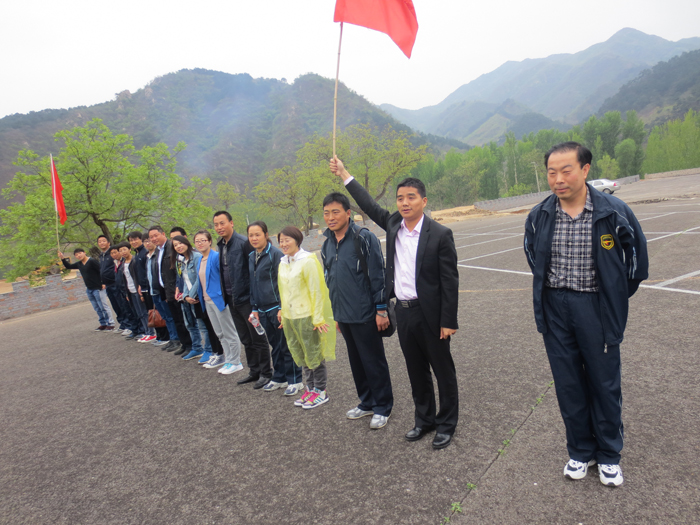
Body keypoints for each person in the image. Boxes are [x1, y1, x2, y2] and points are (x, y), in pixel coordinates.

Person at [524, 142, 649, 487]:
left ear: (585, 169)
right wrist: (553, 294)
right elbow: (534, 258)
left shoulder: (613, 211)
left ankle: (609, 455)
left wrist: (614, 296)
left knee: (604, 383)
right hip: (555, 307)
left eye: (566, 171)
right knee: (568, 384)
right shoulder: (539, 215)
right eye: (552, 172)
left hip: (596, 307)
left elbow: (636, 262)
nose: (558, 179)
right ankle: (581, 451)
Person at [330, 157, 460, 449]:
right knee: (416, 370)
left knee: (443, 371)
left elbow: (450, 281)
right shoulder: (393, 225)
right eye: (400, 198)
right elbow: (368, 204)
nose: (404, 203)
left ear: (423, 201)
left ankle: (446, 424)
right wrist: (344, 174)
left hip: (432, 314)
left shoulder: (440, 234)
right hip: (404, 312)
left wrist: (448, 320)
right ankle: (424, 420)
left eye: (411, 197)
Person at [320, 193, 394, 430]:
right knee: (356, 362)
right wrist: (336, 315)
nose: (330, 217)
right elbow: (330, 280)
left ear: (348, 213)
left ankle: (383, 406)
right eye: (326, 213)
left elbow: (378, 274)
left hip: (366, 313)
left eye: (335, 212)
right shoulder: (327, 244)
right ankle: (367, 402)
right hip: (344, 314)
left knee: (373, 361)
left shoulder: (363, 237)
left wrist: (381, 309)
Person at [277, 226, 336, 410]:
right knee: (301, 353)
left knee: (314, 354)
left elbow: (316, 290)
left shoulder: (308, 260)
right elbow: (283, 290)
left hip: (307, 316)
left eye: (287, 240)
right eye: (281, 241)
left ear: (297, 240)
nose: (283, 244)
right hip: (291, 316)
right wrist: (283, 312)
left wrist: (318, 318)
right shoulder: (283, 262)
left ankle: (320, 390)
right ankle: (310, 388)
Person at [214, 211, 272, 389]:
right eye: (216, 224)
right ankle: (254, 370)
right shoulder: (221, 245)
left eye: (222, 223)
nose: (219, 227)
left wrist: (255, 300)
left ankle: (266, 372)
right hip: (232, 299)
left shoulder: (243, 243)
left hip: (247, 299)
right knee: (245, 338)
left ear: (231, 223)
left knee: (257, 336)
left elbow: (254, 270)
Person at [247, 221, 304, 396]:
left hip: (277, 307)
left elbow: (283, 283)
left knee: (286, 344)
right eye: (251, 235)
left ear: (266, 235)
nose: (254, 238)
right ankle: (280, 377)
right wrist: (254, 307)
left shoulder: (275, 255)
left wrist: (281, 307)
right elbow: (252, 283)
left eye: (258, 234)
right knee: (275, 345)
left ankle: (295, 379)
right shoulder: (251, 256)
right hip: (262, 309)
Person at [193, 229, 244, 374]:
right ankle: (228, 360)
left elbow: (224, 277)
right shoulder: (200, 260)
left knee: (229, 332)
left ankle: (236, 361)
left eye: (203, 240)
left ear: (210, 241)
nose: (200, 243)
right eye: (197, 241)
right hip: (207, 301)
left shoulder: (215, 257)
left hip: (219, 300)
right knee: (220, 333)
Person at [148, 226, 193, 356]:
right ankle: (183, 344)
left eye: (156, 235)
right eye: (151, 237)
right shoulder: (158, 250)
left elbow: (177, 270)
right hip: (166, 290)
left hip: (176, 290)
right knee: (176, 319)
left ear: (163, 234)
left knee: (183, 320)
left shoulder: (171, 247)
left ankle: (191, 345)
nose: (154, 239)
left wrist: (178, 289)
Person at [171, 235, 216, 362]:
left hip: (198, 296)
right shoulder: (181, 260)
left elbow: (198, 278)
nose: (178, 246)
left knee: (203, 326)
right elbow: (185, 280)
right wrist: (185, 296)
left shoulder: (196, 257)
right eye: (175, 245)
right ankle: (197, 348)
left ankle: (208, 350)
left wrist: (191, 295)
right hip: (188, 297)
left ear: (186, 243)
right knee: (190, 323)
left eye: (180, 243)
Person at [128, 231, 168, 344]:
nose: (134, 242)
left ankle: (164, 336)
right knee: (151, 312)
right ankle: (159, 336)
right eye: (131, 240)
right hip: (144, 288)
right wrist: (140, 286)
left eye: (136, 239)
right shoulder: (138, 254)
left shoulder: (147, 253)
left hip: (152, 287)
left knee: (158, 312)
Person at [59, 248, 113, 330]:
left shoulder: (92, 261)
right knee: (97, 308)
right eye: (76, 255)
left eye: (80, 253)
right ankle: (103, 323)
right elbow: (68, 266)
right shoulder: (79, 264)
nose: (78, 255)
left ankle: (110, 323)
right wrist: (62, 258)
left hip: (98, 288)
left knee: (103, 306)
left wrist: (103, 282)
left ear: (84, 253)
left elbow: (101, 271)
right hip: (89, 289)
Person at [118, 242, 156, 342]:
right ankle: (145, 332)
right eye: (120, 251)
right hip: (130, 291)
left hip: (137, 290)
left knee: (144, 312)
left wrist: (141, 290)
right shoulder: (123, 263)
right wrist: (127, 293)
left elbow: (139, 276)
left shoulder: (134, 261)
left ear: (129, 249)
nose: (123, 252)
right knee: (138, 313)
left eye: (124, 249)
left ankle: (151, 332)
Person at [143, 235, 171, 347]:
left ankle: (170, 337)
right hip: (152, 290)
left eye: (149, 240)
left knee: (168, 316)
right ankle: (164, 337)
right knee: (162, 316)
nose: (148, 243)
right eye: (145, 241)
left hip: (160, 290)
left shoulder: (158, 254)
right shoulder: (147, 256)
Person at [111, 244, 139, 339]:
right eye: (112, 253)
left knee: (137, 311)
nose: (115, 254)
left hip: (131, 289)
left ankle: (142, 330)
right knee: (128, 311)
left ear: (129, 249)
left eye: (116, 252)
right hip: (122, 291)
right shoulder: (117, 263)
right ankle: (134, 330)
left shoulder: (131, 261)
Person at [97, 234, 123, 332]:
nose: (102, 243)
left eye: (104, 241)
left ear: (108, 242)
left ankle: (128, 324)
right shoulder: (101, 255)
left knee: (121, 304)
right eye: (99, 242)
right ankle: (122, 324)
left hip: (115, 283)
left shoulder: (112, 253)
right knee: (115, 305)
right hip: (107, 285)